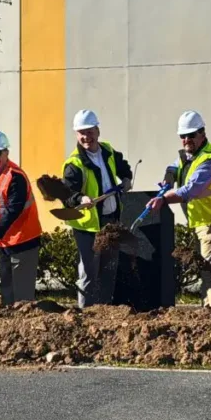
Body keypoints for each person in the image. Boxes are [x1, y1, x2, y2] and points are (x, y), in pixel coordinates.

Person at [149, 110, 211, 310]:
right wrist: (169, 176)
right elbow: (174, 166)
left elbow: (190, 190)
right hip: (205, 221)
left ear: (202, 133)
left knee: (209, 270)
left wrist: (163, 199)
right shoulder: (189, 155)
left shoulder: (209, 160)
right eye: (183, 136)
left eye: (191, 135)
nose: (186, 140)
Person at [62, 110, 133, 308]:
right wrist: (79, 198)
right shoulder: (74, 164)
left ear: (97, 131)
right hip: (88, 227)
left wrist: (126, 178)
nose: (86, 137)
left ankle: (104, 311)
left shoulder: (108, 151)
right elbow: (66, 194)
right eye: (82, 133)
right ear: (77, 135)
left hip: (110, 221)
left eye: (90, 132)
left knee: (109, 268)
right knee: (89, 271)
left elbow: (123, 166)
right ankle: (86, 314)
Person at [0, 131, 41, 305]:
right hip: (6, 241)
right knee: (8, 294)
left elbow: (14, 208)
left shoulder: (15, 176)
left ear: (6, 152)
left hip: (23, 240)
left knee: (22, 297)